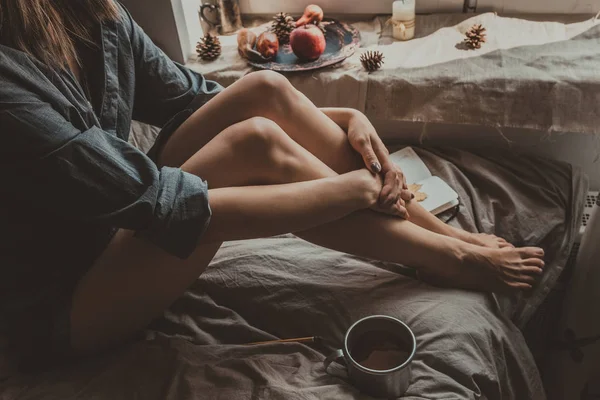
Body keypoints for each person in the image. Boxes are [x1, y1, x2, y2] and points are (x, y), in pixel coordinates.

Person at [0, 0, 544, 368]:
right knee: (253, 144)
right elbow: (164, 206)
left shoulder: (91, 11)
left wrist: (341, 118)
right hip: (69, 303)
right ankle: (451, 257)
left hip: (120, 211)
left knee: (264, 88)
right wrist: (350, 188)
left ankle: (439, 241)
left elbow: (196, 98)